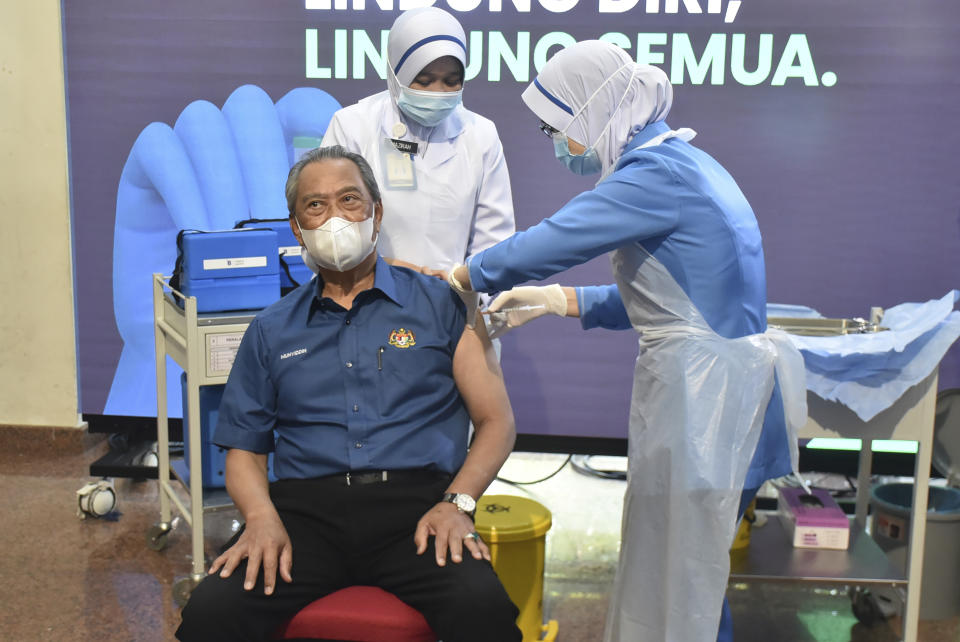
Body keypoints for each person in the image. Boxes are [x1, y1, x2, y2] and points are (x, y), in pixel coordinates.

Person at [446, 41, 807, 642]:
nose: (558, 143)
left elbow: (559, 238)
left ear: (593, 111)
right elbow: (674, 300)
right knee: (688, 581)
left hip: (707, 412)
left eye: (558, 127)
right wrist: (559, 302)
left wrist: (464, 275)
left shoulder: (656, 174)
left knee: (683, 590)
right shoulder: (687, 163)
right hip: (722, 398)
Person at [176, 146, 522, 642]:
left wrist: (458, 504)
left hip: (419, 512)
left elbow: (496, 422)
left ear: (376, 213)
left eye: (349, 200)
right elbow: (244, 450)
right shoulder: (271, 328)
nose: (335, 217)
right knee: (211, 614)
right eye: (315, 206)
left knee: (483, 610)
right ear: (297, 229)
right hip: (303, 519)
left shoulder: (442, 305)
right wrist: (259, 519)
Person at [320, 6, 515, 276]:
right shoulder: (352, 126)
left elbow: (494, 238)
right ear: (395, 72)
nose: (439, 92)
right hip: (363, 299)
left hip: (450, 303)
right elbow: (331, 234)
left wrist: (473, 298)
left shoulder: (480, 133)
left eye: (452, 81)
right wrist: (394, 277)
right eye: (423, 81)